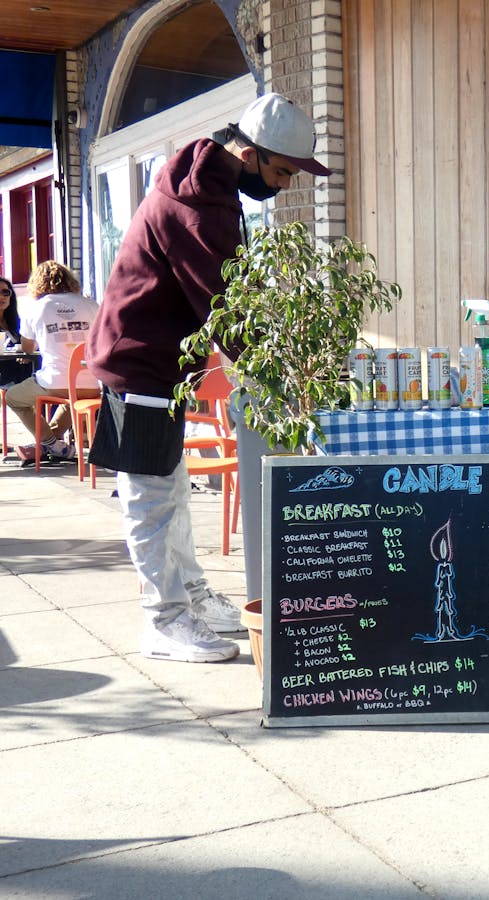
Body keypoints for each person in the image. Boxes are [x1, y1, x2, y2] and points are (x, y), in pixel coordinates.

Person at [86, 92, 331, 664]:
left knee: (170, 489)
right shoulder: (198, 206)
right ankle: (164, 620)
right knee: (150, 498)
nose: (286, 185)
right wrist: (280, 372)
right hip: (138, 362)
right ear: (248, 154)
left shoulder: (211, 186)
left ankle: (190, 596)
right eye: (283, 171)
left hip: (162, 363)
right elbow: (226, 309)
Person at [6, 261, 99, 461]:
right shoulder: (91, 305)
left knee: (13, 398)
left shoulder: (36, 308)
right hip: (93, 384)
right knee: (71, 400)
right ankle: (53, 444)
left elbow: (28, 348)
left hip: (54, 382)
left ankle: (49, 444)